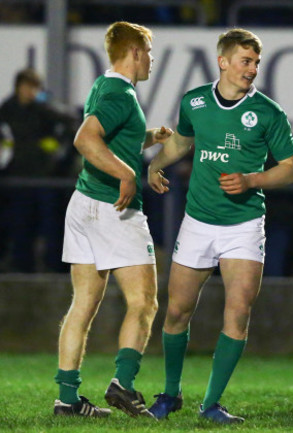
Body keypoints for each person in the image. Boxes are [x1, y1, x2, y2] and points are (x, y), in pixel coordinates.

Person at [146, 28, 293, 424]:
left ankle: (211, 403)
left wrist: (252, 180)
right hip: (197, 222)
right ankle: (170, 393)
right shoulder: (194, 101)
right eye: (246, 61)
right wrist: (156, 164)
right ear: (224, 61)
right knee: (177, 311)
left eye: (256, 63)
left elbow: (291, 169)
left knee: (238, 313)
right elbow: (183, 141)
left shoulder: (268, 112)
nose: (252, 70)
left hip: (244, 225)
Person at [54, 21, 170, 418]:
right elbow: (86, 139)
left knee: (82, 304)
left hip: (83, 203)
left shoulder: (103, 86)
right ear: (135, 51)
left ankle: (67, 400)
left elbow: (110, 136)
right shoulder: (122, 93)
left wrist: (150, 136)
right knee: (145, 302)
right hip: (114, 209)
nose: (152, 60)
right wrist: (126, 173)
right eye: (150, 52)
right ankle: (123, 383)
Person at [0, 68, 77, 272]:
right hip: (18, 177)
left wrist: (58, 156)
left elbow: (72, 122)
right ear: (18, 87)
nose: (31, 92)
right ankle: (21, 266)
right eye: (28, 87)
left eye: (35, 87)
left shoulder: (44, 108)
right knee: (19, 224)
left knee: (50, 224)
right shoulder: (7, 110)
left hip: (44, 177)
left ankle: (54, 267)